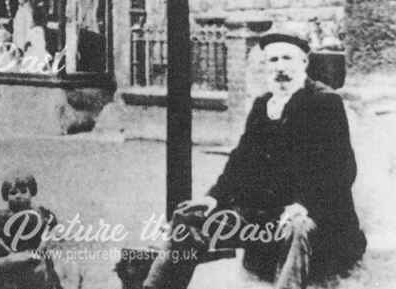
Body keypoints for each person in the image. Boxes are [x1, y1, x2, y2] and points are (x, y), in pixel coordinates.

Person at [141, 28, 365, 289]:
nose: (281, 67)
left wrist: (303, 204)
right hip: (264, 216)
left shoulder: (325, 103)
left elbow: (341, 170)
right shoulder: (263, 105)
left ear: (304, 63)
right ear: (265, 67)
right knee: (188, 220)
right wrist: (214, 197)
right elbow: (240, 161)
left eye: (287, 58)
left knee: (296, 227)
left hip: (320, 217)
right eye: (273, 60)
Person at [0, 171, 62, 289]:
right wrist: (5, 250)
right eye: (13, 193)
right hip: (7, 257)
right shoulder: (0, 215)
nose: (18, 196)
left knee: (46, 276)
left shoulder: (40, 212)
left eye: (23, 192)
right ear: (6, 196)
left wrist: (40, 248)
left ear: (31, 192)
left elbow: (49, 228)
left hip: (34, 257)